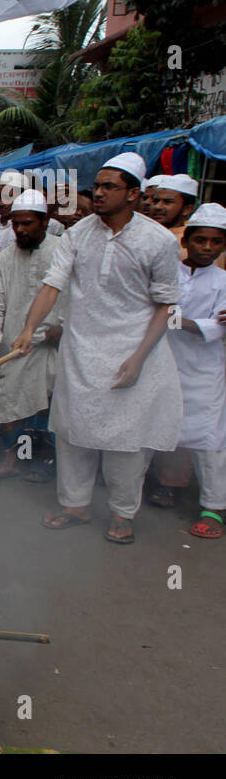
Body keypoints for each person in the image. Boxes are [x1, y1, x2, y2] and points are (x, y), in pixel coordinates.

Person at [12, 153, 183, 544]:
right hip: (81, 346)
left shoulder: (158, 241)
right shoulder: (78, 233)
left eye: (110, 187)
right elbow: (53, 284)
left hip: (133, 350)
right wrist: (29, 329)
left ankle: (123, 513)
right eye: (97, 187)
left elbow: (165, 304)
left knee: (125, 440)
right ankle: (75, 504)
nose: (99, 193)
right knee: (73, 431)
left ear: (134, 194)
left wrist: (139, 358)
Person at [0, 190, 66, 481]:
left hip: (52, 347)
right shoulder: (4, 260)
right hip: (13, 347)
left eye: (28, 223)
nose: (21, 229)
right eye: (16, 224)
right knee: (10, 407)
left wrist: (62, 329)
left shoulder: (63, 252)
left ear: (45, 221)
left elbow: (80, 299)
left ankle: (43, 461)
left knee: (46, 408)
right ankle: (10, 459)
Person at [146, 202, 226, 538]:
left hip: (205, 371)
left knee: (209, 441)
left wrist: (171, 317)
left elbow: (217, 328)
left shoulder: (224, 281)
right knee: (154, 429)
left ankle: (214, 506)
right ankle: (148, 490)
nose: (207, 248)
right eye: (200, 240)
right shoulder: (169, 274)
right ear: (186, 240)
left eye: (216, 242)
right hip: (161, 362)